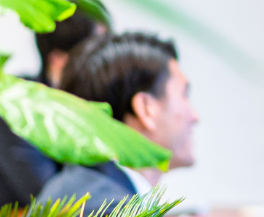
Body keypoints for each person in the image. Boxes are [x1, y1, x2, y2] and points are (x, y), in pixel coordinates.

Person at [37, 32, 200, 210]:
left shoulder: (78, 190)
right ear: (146, 108)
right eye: (184, 95)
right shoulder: (111, 208)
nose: (195, 116)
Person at [0, 2, 109, 209]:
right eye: (98, 52)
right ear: (58, 60)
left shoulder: (96, 106)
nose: (108, 62)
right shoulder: (12, 104)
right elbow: (52, 199)